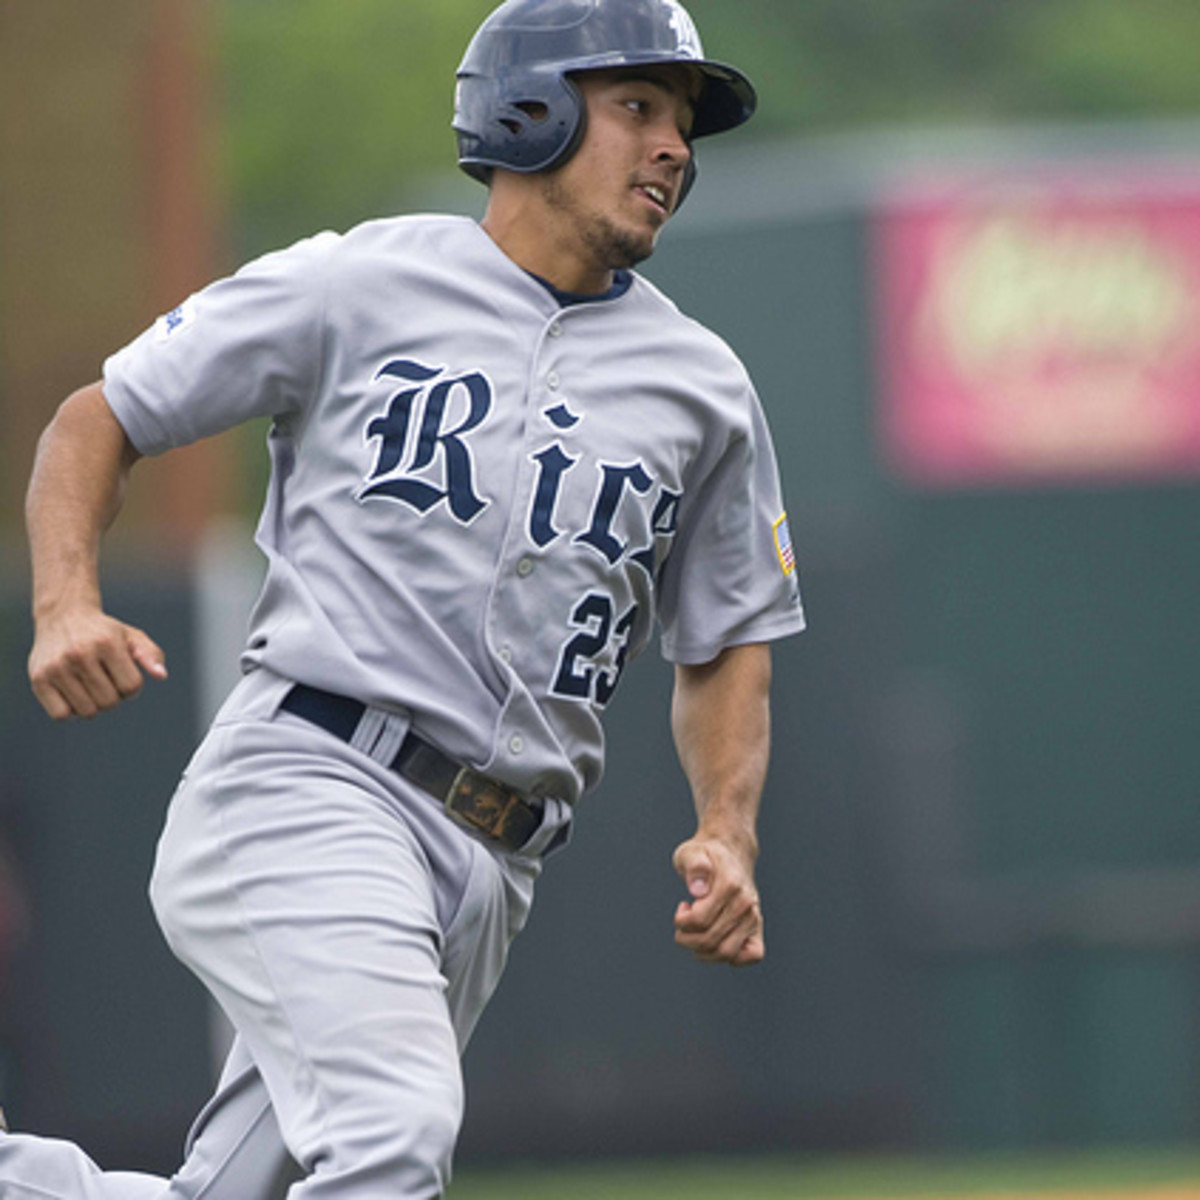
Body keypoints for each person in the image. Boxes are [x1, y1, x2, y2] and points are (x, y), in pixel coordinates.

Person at [1, 0, 805, 1196]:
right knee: (392, 1139)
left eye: (684, 122)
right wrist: (67, 603)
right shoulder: (359, 281)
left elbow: (729, 637)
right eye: (638, 107)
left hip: (493, 866)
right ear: (525, 113)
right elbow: (96, 421)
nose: (675, 147)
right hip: (315, 782)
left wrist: (728, 831)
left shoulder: (706, 388)